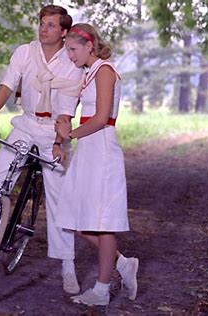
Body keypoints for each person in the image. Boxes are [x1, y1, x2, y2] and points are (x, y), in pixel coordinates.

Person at [0, 5, 85, 294]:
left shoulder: (72, 62)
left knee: (59, 197)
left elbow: (66, 112)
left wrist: (60, 144)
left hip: (53, 131)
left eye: (50, 25)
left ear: (63, 32)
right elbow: (7, 84)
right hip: (25, 124)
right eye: (41, 23)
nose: (43, 29)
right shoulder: (25, 52)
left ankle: (67, 266)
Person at [54, 23, 139, 306]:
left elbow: (102, 117)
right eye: (67, 51)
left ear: (90, 45)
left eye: (74, 49)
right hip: (88, 149)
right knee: (78, 220)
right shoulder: (87, 73)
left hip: (102, 147)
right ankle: (124, 264)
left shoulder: (104, 70)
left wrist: (71, 135)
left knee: (103, 224)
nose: (70, 56)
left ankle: (101, 291)